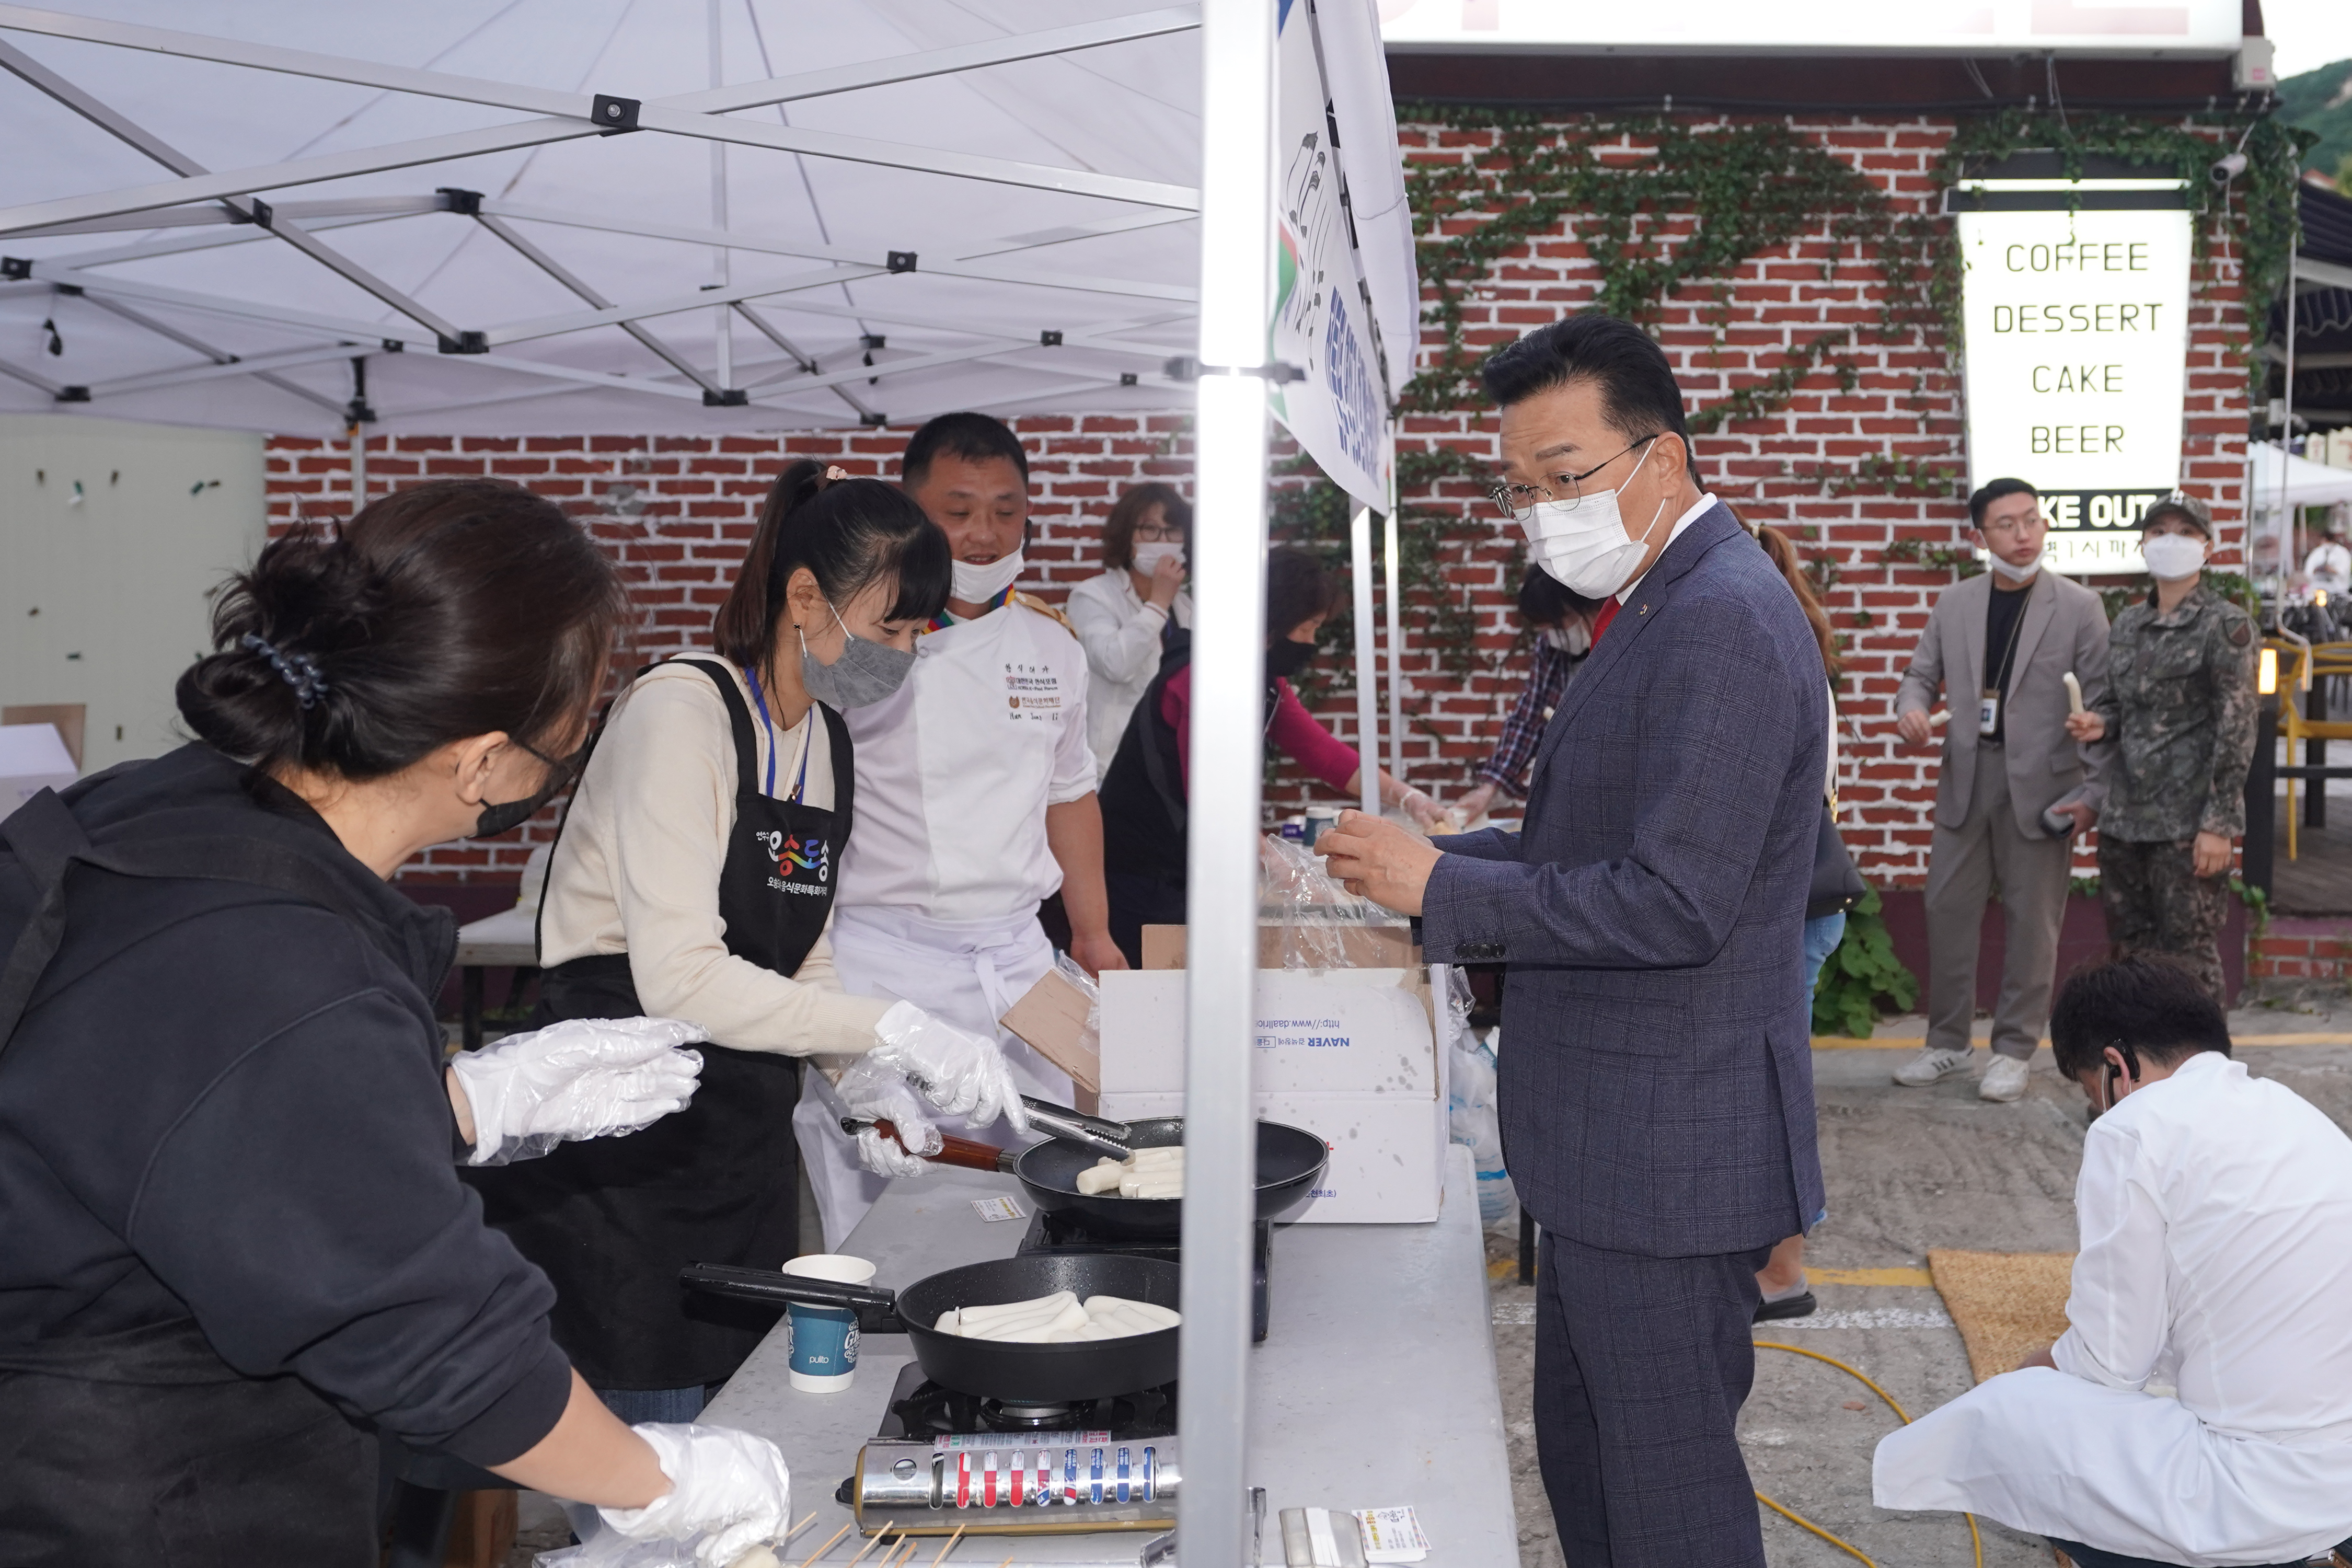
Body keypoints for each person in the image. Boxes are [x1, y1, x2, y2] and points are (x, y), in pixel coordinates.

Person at [0, 481, 794, 1567]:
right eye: (579, 720)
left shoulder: (160, 807)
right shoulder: (281, 964)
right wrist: (657, 1485)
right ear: (480, 761)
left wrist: (455, 1105)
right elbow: (431, 1335)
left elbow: (162, 1122)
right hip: (138, 1498)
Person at [1319, 312, 1826, 1568]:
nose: (1539, 512)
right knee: (1594, 1470)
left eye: (1561, 479)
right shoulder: (1656, 601)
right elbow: (1579, 843)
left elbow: (1670, 902)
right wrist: (1425, 868)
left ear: (1659, 457)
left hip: (1665, 1149)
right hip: (1615, 1145)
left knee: (1664, 1502)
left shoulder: (1717, 616)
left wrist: (1442, 888)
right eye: (1518, 487)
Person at [467, 463, 1023, 1425]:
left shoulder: (825, 741)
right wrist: (895, 1025)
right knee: (650, 1450)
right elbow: (682, 977)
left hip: (739, 1147)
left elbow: (797, 950)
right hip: (625, 1145)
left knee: (743, 1417)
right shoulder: (683, 710)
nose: (903, 653)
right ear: (806, 597)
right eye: (890, 625)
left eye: (915, 635)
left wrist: (862, 1080)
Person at [1874, 955, 2352, 1568]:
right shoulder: (2294, 1112)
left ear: (2116, 1066)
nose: (2098, 1111)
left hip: (2261, 1493)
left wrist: (2032, 1371)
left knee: (2006, 1416)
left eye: (2090, 1092)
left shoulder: (2131, 1130)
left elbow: (2110, 1364)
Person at [804, 413, 1126, 1247]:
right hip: (886, 959)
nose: (985, 534)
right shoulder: (855, 648)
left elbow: (1070, 794)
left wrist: (1092, 934)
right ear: (910, 513)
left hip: (1019, 965)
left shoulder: (1052, 646)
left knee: (1044, 1185)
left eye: (1008, 511)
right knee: (887, 1204)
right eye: (959, 510)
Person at [1097, 544, 1447, 967]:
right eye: (1308, 627)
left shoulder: (1262, 681)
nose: (1311, 642)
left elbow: (1322, 752)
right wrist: (1276, 862)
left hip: (1187, 869)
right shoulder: (1205, 678)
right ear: (1273, 621)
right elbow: (1211, 800)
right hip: (1142, 872)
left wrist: (1408, 796)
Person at [1892, 478, 2112, 1103]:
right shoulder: (1955, 603)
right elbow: (1918, 677)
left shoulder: (2079, 607)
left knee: (2033, 923)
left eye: (2032, 521)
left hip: (2045, 787)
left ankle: (2015, 1050)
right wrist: (1911, 709)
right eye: (2007, 525)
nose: (2023, 535)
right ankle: (1947, 1042)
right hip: (1967, 777)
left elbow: (2104, 705)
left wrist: (2092, 793)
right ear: (1979, 537)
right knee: (1947, 909)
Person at [2065, 494, 2257, 1006]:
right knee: (2132, 960)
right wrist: (2098, 721)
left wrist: (2218, 825)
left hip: (2187, 827)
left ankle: (2206, 1074)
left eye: (2186, 533)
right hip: (2125, 821)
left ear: (2209, 548)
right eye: (2159, 532)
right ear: (2143, 545)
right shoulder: (2127, 625)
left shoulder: (2226, 626)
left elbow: (2237, 726)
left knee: (2189, 962)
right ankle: (2146, 1075)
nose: (2171, 542)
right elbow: (2121, 704)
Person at [1751, 512, 1848, 1324]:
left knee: (1771, 1090)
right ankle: (1777, 1260)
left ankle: (1785, 1269)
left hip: (1785, 907)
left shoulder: (1772, 659)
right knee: (1770, 1085)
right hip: (1794, 907)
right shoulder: (1793, 649)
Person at [1068, 481, 1193, 781]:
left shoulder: (1187, 607)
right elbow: (1116, 664)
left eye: (1172, 530)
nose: (1163, 541)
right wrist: (1158, 602)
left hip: (1172, 765)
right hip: (1113, 766)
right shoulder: (1092, 597)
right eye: (1150, 530)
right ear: (1127, 536)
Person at [1452, 569, 1595, 823]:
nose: (1554, 635)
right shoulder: (1551, 650)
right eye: (1546, 629)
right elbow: (1529, 719)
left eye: (1558, 625)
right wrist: (1489, 790)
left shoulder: (1624, 646)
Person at [2305, 517, 2349, 597]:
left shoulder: (2341, 553)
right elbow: (2309, 571)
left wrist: (2332, 570)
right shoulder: (2318, 552)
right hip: (2318, 589)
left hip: (2337, 590)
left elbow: (2343, 571)